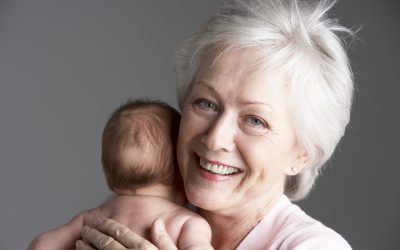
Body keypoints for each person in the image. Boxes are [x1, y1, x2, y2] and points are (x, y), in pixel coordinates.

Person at [77, 0, 355, 249]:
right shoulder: (136, 221)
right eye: (206, 104)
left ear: (302, 153)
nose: (215, 139)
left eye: (255, 120)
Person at [28, 99, 213, 250]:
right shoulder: (185, 223)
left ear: (108, 176)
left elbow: (40, 245)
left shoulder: (91, 218)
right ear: (182, 174)